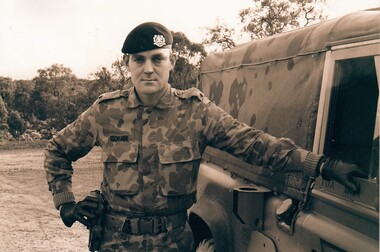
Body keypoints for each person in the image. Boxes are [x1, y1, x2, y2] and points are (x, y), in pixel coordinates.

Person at [44, 22, 364, 251]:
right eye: (138, 59)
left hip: (174, 243)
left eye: (157, 58)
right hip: (115, 243)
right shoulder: (106, 112)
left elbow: (254, 144)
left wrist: (322, 165)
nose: (148, 68)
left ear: (171, 62)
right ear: (127, 64)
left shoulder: (196, 112)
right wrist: (65, 203)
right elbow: (58, 150)